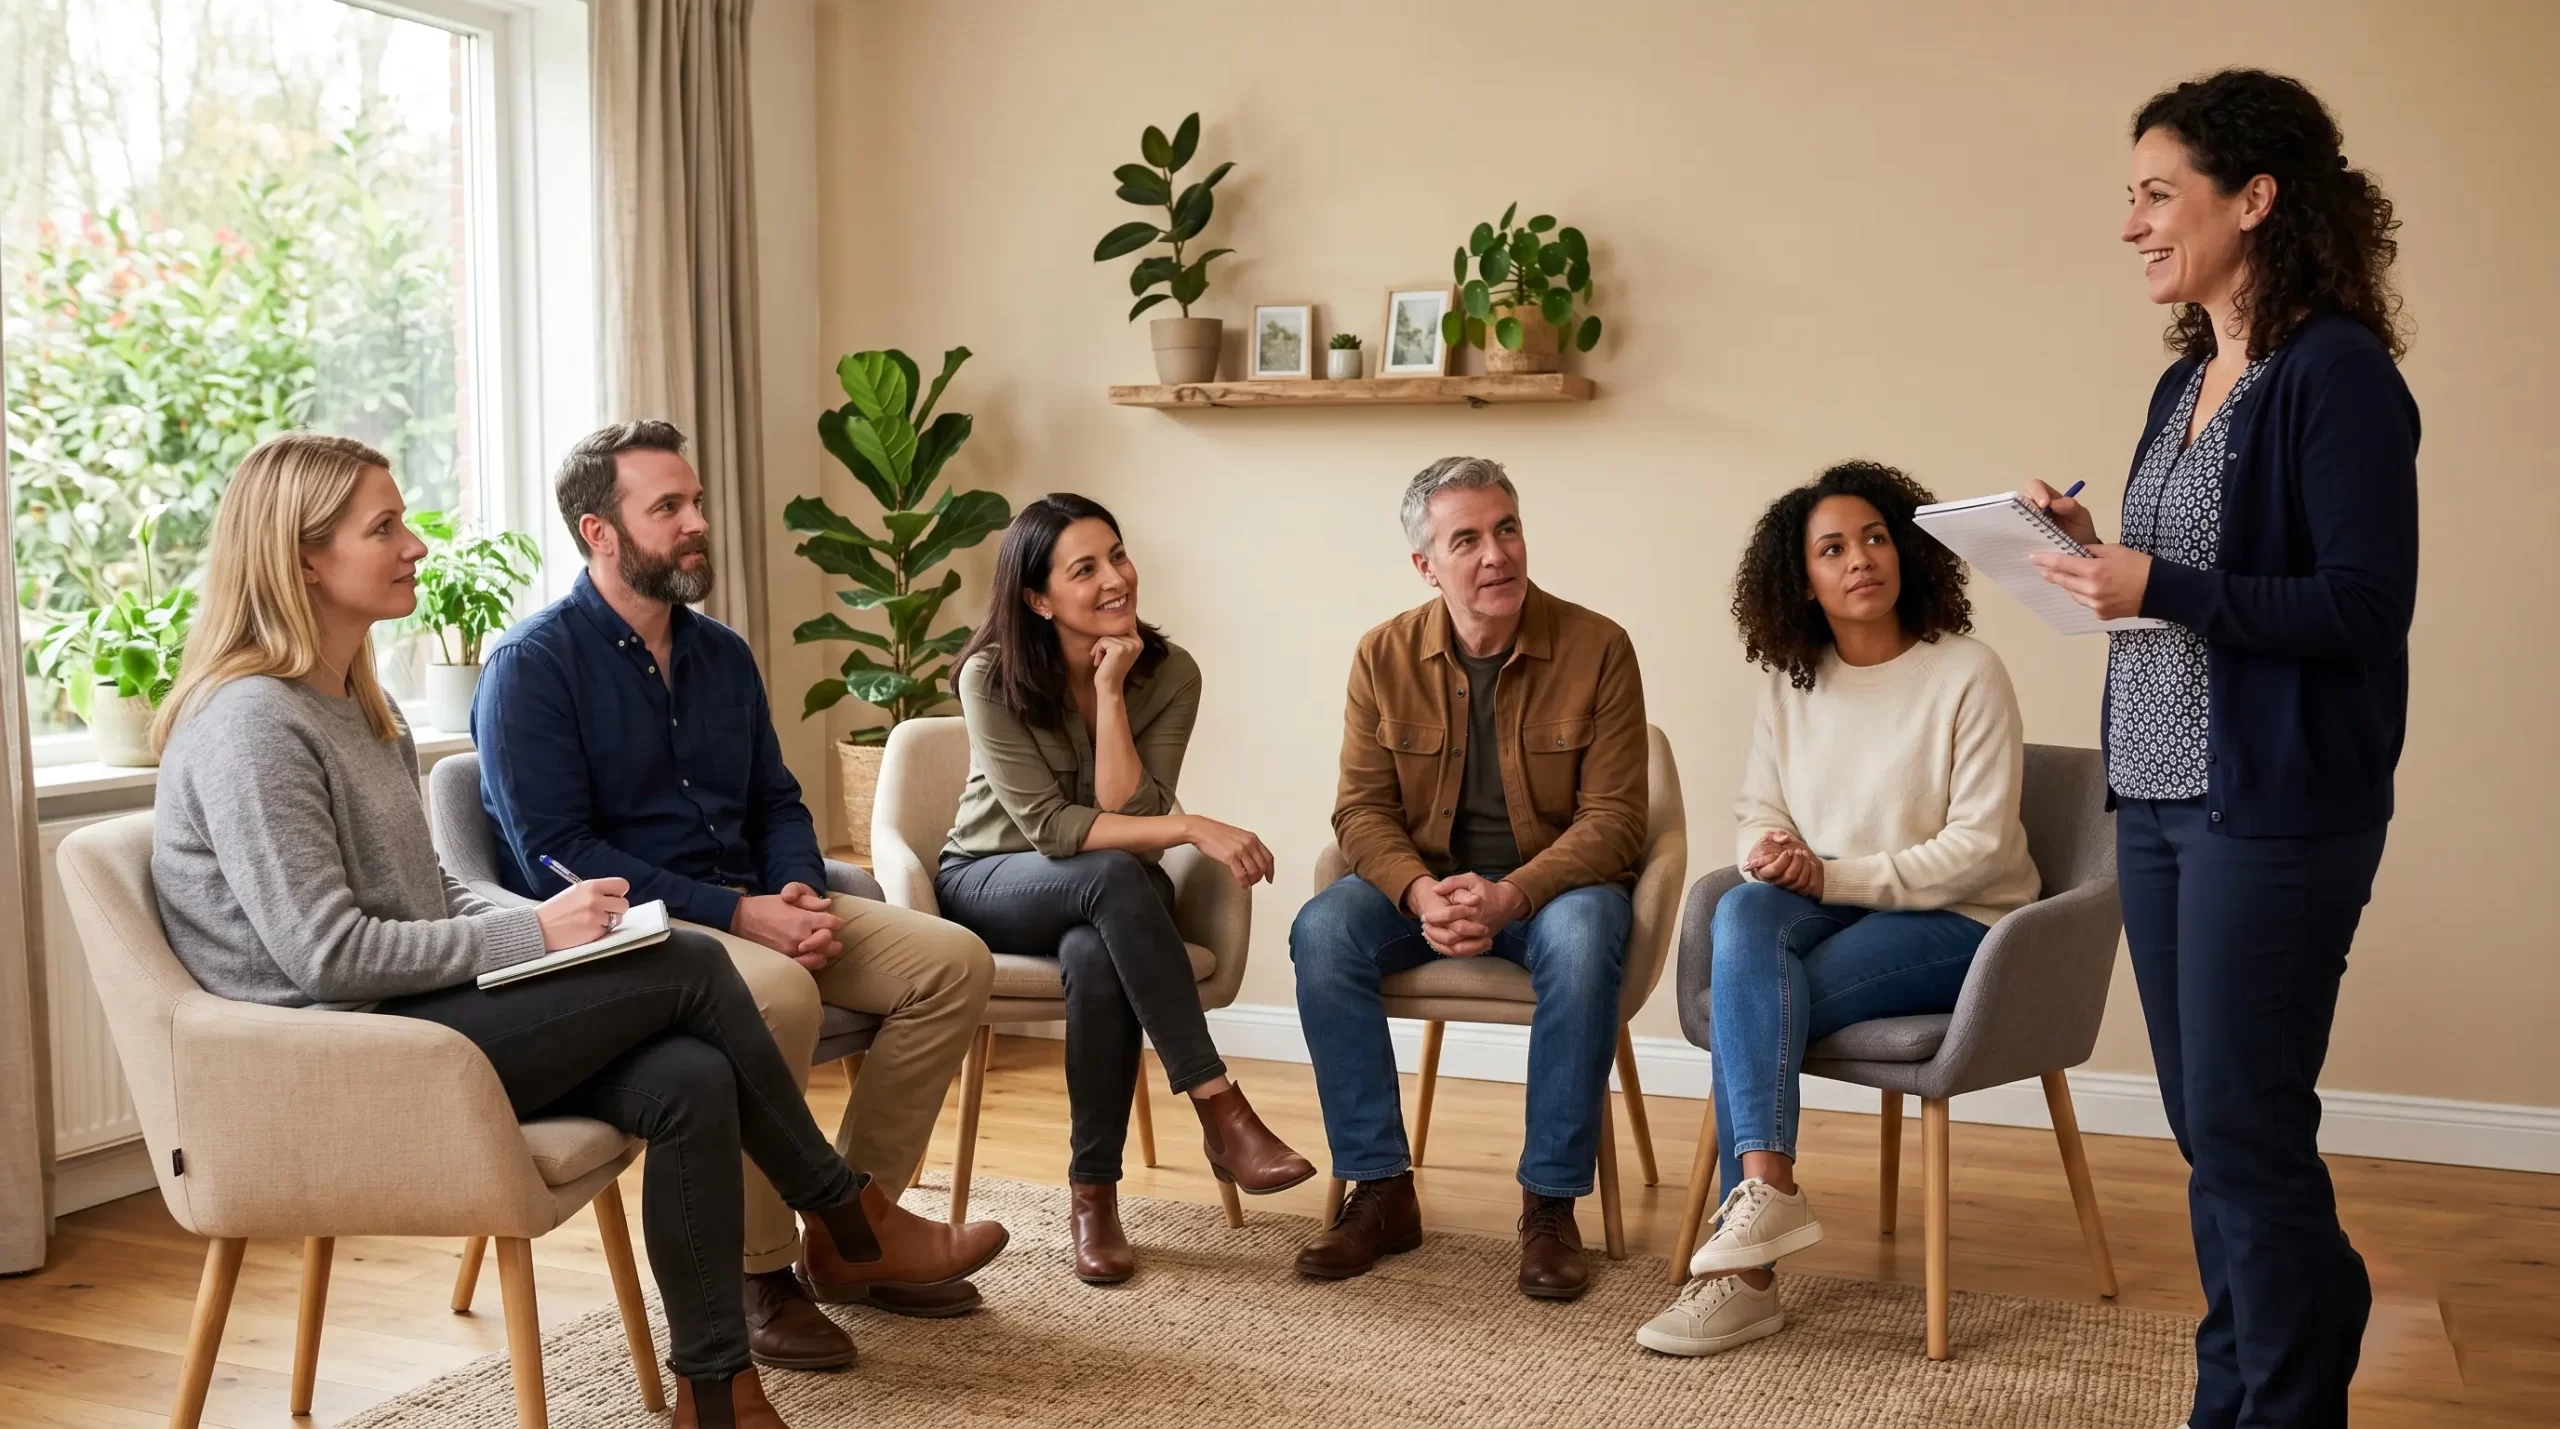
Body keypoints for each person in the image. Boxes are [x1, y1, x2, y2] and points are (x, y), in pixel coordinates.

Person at [148, 433, 1002, 1429]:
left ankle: (716, 1392)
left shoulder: (357, 708)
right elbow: (327, 957)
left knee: (691, 1075)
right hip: (337, 1052)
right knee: (687, 963)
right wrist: (540, 936)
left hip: (414, 1016)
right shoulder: (252, 722)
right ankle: (842, 1208)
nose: (417, 544)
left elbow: (439, 893)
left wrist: (553, 929)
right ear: (301, 558)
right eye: (384, 527)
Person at [2023, 69, 2418, 1429]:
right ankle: (2248, 1372)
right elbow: (2181, 571)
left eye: (2155, 193)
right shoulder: (2189, 378)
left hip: (2275, 811)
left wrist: (2160, 586)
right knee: (2212, 1132)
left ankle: (2282, 1397)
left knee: (2246, 1125)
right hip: (2159, 801)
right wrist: (2079, 555)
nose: (2132, 222)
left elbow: (2364, 608)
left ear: (2254, 200)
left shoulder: (2337, 375)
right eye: (2127, 198)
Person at [472, 420, 1002, 1365]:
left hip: (758, 904)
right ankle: (761, 1273)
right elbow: (558, 853)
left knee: (953, 960)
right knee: (775, 991)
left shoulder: (720, 653)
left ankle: (855, 1236)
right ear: (599, 532)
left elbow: (774, 798)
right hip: (635, 940)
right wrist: (738, 914)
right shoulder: (532, 668)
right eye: (667, 507)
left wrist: (795, 888)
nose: (697, 523)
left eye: (697, 501)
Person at [1633, 460, 2039, 1357]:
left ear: (1907, 550)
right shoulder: (1793, 681)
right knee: (1743, 916)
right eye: (1832, 547)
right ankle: (1767, 1197)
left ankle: (1746, 1279)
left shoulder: (1968, 672)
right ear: (1802, 581)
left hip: (1966, 921)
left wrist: (1828, 878)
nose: (1861, 557)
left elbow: (1975, 850)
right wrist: (1767, 856)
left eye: (1875, 537)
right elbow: (1758, 811)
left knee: (1754, 1001)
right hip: (1838, 904)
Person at [1290, 456, 1648, 1302]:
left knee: (1590, 931)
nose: (1497, 554)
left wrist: (1513, 893)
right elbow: (1360, 811)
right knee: (1322, 928)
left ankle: (1550, 1203)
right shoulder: (1382, 655)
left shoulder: (1599, 646)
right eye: (1468, 539)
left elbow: (1617, 821)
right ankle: (1379, 1189)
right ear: (1426, 564)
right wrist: (1419, 893)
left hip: (1554, 889)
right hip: (1428, 886)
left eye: (1508, 528)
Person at [935, 492, 1314, 1284]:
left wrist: (1110, 695)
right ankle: (1219, 1105)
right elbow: (1050, 830)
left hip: (1107, 897)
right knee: (1109, 872)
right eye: (1086, 568)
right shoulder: (989, 677)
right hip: (992, 882)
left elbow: (1126, 807)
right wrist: (1189, 827)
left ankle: (1094, 1197)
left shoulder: (1169, 674)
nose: (1116, 577)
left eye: (1118, 554)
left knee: (1096, 947)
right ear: (1038, 599)